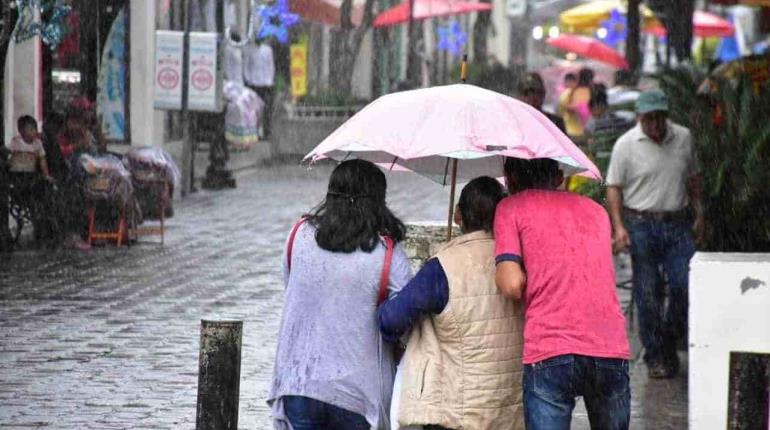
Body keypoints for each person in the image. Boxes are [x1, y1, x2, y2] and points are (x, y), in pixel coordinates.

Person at [268, 159, 413, 429]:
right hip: (358, 395)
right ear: (377, 201)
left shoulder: (298, 235)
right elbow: (405, 320)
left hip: (298, 384)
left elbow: (291, 286)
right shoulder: (388, 255)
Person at [495, 157, 631, 429]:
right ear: (559, 176)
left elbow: (511, 285)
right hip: (610, 347)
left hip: (550, 348)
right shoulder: (596, 211)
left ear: (509, 178)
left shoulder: (510, 208)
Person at [379, 176, 524, 430]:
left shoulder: (442, 267)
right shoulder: (518, 261)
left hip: (458, 414)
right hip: (512, 410)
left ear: (458, 216)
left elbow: (391, 319)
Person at [605, 89, 703, 379]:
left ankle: (669, 339)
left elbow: (694, 179)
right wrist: (619, 226)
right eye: (649, 119)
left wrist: (701, 214)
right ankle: (656, 354)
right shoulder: (626, 145)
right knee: (647, 292)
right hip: (641, 224)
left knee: (683, 284)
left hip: (677, 222)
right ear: (639, 118)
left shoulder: (683, 138)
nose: (656, 125)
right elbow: (614, 187)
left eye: (660, 118)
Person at [7, 115, 59, 244]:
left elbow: (42, 160)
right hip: (18, 176)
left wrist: (46, 174)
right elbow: (9, 157)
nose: (33, 132)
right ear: (21, 131)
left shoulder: (37, 143)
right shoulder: (16, 142)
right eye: (29, 129)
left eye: (34, 129)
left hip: (32, 176)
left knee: (42, 188)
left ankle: (44, 227)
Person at [244, 37, 275, 139]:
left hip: (265, 84)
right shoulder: (250, 50)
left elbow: (271, 66)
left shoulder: (267, 50)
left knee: (266, 109)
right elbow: (246, 66)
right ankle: (253, 132)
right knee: (253, 110)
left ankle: (266, 132)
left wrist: (270, 80)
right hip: (254, 84)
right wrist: (248, 80)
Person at [559, 67, 594, 143]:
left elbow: (561, 110)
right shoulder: (592, 93)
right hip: (582, 132)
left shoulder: (569, 93)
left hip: (572, 132)